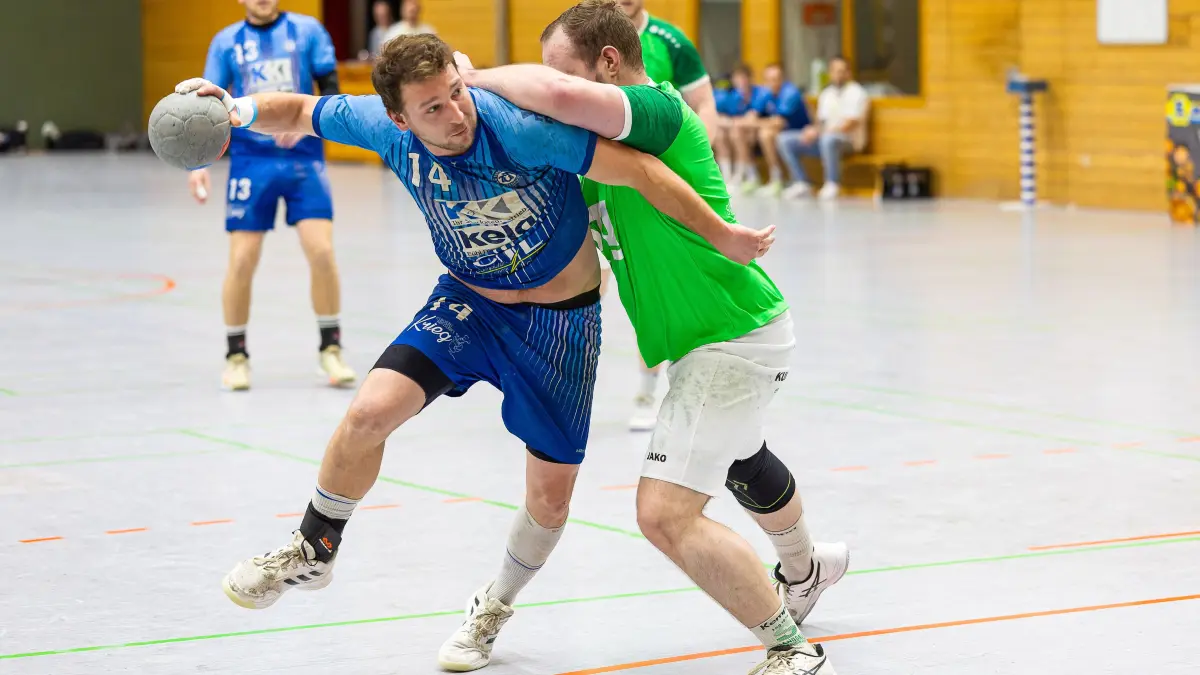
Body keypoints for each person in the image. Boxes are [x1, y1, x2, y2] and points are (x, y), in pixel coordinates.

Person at [177, 32, 772, 671]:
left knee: (549, 501)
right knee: (367, 414)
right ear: (400, 119)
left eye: (457, 94)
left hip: (559, 325)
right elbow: (296, 111)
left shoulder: (518, 129)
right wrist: (231, 109)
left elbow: (640, 170)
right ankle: (314, 547)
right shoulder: (382, 128)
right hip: (470, 302)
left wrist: (724, 235)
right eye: (433, 108)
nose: (456, 114)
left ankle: (494, 606)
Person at [459, 2, 849, 673]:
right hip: (708, 340)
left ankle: (794, 648)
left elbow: (552, 95)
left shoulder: (660, 110)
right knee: (742, 456)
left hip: (734, 337)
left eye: (569, 78)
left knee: (664, 512)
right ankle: (808, 565)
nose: (557, 99)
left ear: (609, 64)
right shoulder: (589, 157)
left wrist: (468, 78)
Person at [192, 0, 355, 391]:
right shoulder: (226, 41)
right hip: (251, 161)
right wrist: (199, 162)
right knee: (243, 259)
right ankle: (236, 356)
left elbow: (330, 91)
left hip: (304, 157)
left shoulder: (308, 31)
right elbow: (207, 105)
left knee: (322, 252)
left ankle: (330, 350)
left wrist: (308, 126)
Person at [777, 56, 869, 201]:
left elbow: (850, 123)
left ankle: (832, 183)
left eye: (842, 71)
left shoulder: (857, 92)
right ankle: (801, 182)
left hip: (848, 141)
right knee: (785, 139)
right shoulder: (827, 94)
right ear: (830, 73)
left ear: (848, 73)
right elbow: (820, 122)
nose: (838, 74)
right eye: (835, 71)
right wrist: (811, 131)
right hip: (824, 138)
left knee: (828, 139)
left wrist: (823, 132)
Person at [743, 64, 811, 197]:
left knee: (765, 134)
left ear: (783, 79)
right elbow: (751, 116)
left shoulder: (790, 93)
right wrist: (753, 122)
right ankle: (750, 177)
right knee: (745, 132)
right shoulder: (766, 93)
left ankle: (777, 179)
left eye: (776, 78)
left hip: (800, 132)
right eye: (769, 79)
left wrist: (756, 123)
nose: (773, 83)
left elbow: (779, 122)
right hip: (782, 132)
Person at [714, 63, 766, 187]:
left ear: (750, 78)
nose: (740, 82)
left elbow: (752, 119)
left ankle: (742, 175)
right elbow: (720, 116)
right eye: (737, 78)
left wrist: (733, 122)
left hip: (757, 131)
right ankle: (726, 176)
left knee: (736, 132)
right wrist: (729, 121)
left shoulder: (759, 94)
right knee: (719, 134)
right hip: (738, 130)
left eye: (743, 78)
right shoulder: (733, 95)